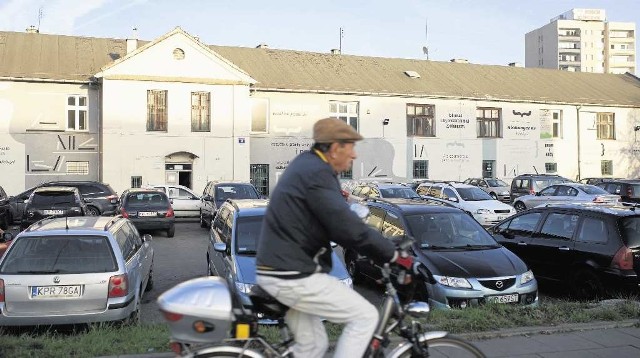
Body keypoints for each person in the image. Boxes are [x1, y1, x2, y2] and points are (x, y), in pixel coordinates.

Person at [256, 117, 413, 358]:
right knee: (365, 316)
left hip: (280, 268)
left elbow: (332, 218)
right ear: (335, 147)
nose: (355, 155)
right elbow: (346, 227)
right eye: (351, 147)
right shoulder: (316, 174)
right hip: (293, 274)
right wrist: (391, 254)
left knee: (313, 346)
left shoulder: (308, 166)